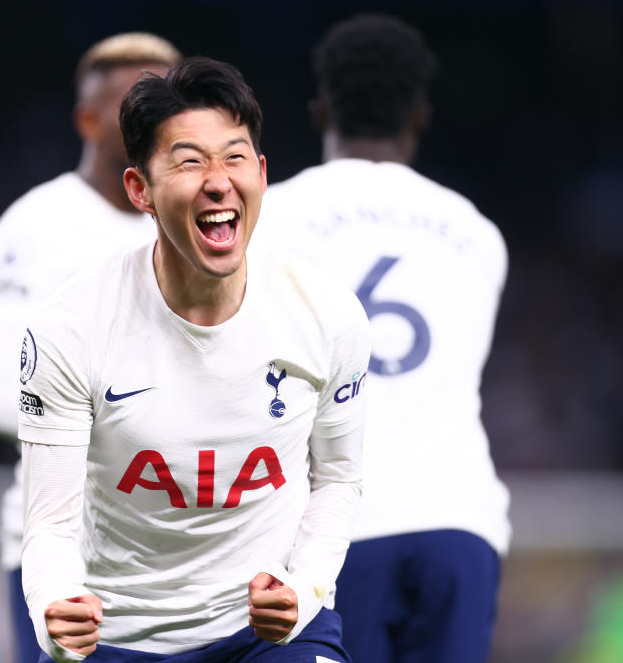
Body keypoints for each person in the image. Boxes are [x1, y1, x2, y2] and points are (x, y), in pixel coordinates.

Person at [18, 56, 372, 662]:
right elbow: (49, 522)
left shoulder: (326, 314)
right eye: (189, 161)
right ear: (140, 190)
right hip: (122, 637)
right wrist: (53, 606)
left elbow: (339, 478)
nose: (218, 181)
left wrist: (304, 586)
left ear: (260, 173)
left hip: (264, 637)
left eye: (235, 157)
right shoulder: (70, 327)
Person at [260, 13, 511, 663]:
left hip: (329, 531)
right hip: (458, 521)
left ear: (320, 110)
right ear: (419, 114)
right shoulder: (478, 235)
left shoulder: (269, 218)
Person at [0, 32, 182, 663]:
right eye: (132, 104)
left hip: (201, 553)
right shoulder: (38, 227)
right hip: (74, 553)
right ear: (88, 120)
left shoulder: (217, 222)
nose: (155, 119)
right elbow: (2, 402)